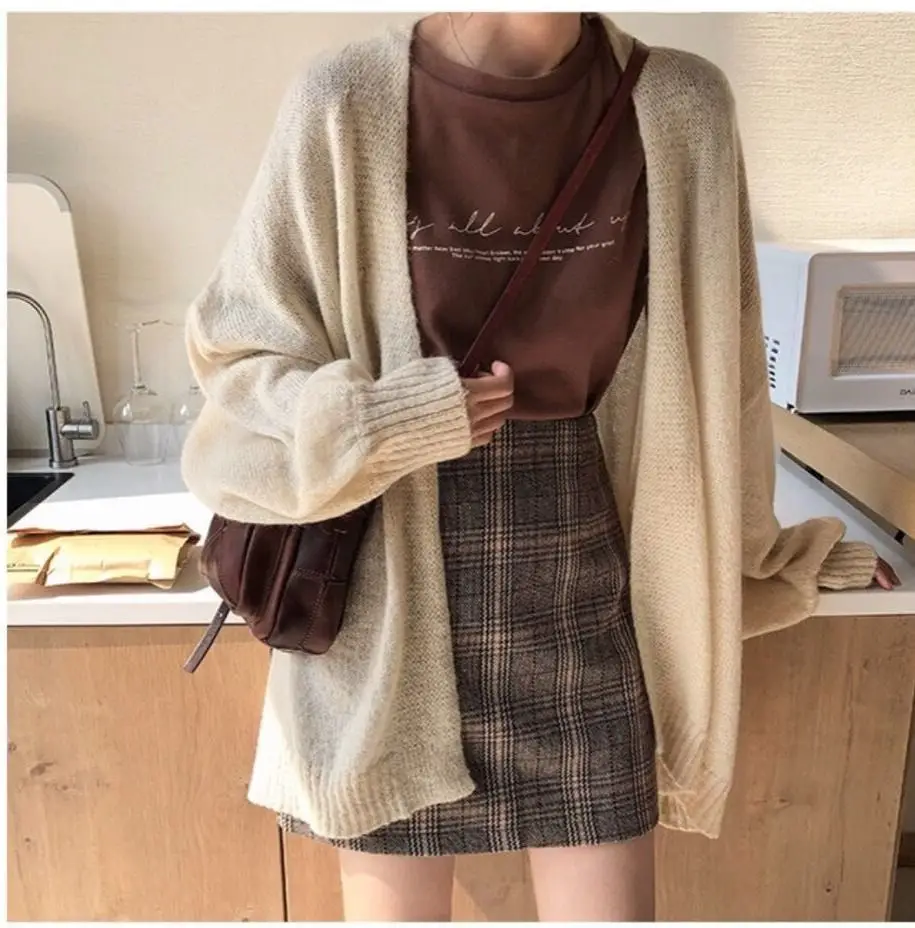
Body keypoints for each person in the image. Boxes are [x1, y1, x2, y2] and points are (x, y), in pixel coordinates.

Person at [181, 12, 900, 922]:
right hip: (383, 586)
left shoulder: (681, 104)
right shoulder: (345, 100)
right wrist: (387, 418)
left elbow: (723, 378)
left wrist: (762, 554)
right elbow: (238, 358)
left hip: (584, 572)